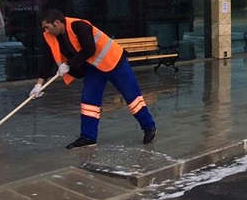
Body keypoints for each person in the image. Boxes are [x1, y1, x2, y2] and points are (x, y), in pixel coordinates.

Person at [31, 10, 157, 149]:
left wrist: (68, 64)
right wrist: (39, 84)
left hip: (114, 62)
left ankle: (148, 127)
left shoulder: (79, 26)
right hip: (93, 68)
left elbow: (89, 49)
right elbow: (46, 61)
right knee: (89, 102)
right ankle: (88, 137)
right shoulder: (50, 36)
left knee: (132, 97)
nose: (45, 30)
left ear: (57, 23)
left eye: (47, 27)